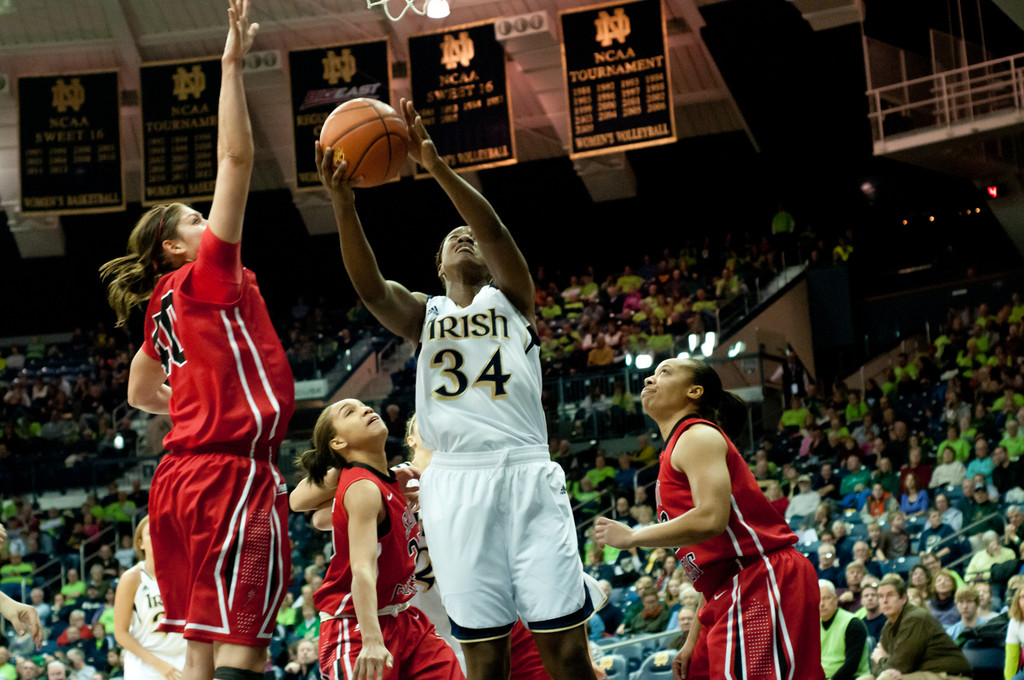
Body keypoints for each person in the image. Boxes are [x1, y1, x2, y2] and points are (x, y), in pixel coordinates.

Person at [316, 99, 596, 680]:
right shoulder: (426, 314)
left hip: (525, 470)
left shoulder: (513, 298)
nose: (466, 236)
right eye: (453, 237)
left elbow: (492, 228)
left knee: (566, 652)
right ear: (438, 262)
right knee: (484, 656)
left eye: (471, 236)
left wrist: (439, 169)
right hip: (456, 482)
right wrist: (343, 202)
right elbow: (370, 288)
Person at [98, 4, 295, 680]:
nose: (205, 218)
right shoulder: (206, 272)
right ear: (175, 247)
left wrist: (187, 404)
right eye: (192, 218)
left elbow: (136, 388)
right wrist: (231, 67)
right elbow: (235, 156)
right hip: (230, 474)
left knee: (202, 655)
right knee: (247, 648)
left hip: (178, 480)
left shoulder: (159, 303)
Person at [593, 358, 823, 680]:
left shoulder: (696, 436)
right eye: (652, 373)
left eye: (664, 372)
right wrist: (693, 639)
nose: (649, 380)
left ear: (694, 391)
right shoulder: (676, 447)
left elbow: (712, 518)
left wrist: (634, 537)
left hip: (761, 574)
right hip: (724, 587)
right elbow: (714, 559)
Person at [288, 399, 464, 680]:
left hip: (406, 616)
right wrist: (371, 638)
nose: (366, 409)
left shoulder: (391, 480)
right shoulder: (366, 485)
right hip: (357, 624)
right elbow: (359, 564)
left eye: (364, 406)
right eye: (351, 412)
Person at [113, 517, 185, 680]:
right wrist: (160, 665)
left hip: (184, 659)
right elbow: (121, 633)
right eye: (150, 533)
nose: (158, 537)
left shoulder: (186, 574)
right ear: (140, 543)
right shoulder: (132, 578)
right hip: (145, 664)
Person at [862, 574, 971, 680]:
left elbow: (900, 666)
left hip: (949, 675)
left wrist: (881, 659)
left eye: (890, 595)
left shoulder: (915, 618)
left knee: (888, 678)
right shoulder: (888, 626)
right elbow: (874, 664)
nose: (884, 601)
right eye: (880, 596)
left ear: (903, 598)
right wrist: (883, 663)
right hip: (917, 673)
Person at [0, 524, 43, 648]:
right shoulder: (5, 567)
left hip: (20, 586)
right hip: (6, 587)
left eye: (17, 557)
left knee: (23, 592)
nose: (14, 559)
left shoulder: (26, 566)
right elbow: (4, 576)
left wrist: (3, 601)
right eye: (12, 558)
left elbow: (28, 576)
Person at [819, 580, 869, 680]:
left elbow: (852, 665)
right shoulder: (813, 624)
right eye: (818, 599)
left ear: (836, 599)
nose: (821, 604)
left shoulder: (853, 623)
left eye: (826, 598)